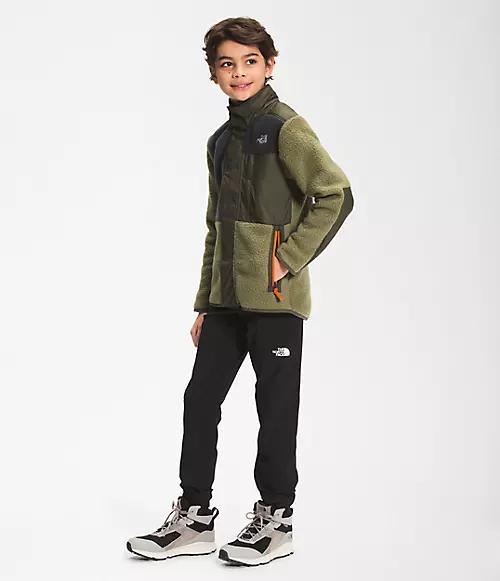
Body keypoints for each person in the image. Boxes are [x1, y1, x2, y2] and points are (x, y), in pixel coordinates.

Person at [126, 16, 353, 566]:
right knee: (200, 400)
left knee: (274, 409)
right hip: (226, 302)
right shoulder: (221, 141)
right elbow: (217, 227)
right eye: (227, 64)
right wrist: (205, 303)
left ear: (270, 65)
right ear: (213, 73)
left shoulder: (286, 128)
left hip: (275, 302)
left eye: (250, 61)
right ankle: (195, 517)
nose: (239, 73)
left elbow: (335, 194)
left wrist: (286, 260)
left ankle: (276, 520)